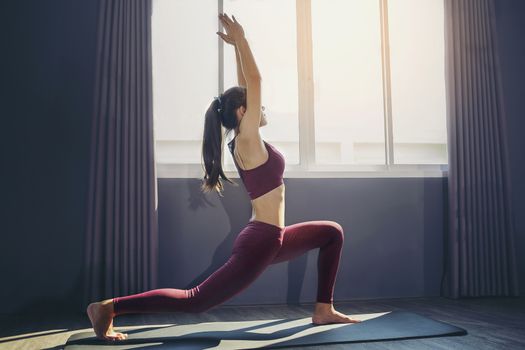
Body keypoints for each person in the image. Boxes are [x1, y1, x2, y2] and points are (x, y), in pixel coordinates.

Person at [87, 13, 360, 341]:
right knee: (196, 301)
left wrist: (235, 49)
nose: (264, 108)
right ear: (243, 113)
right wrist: (243, 40)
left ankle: (323, 309)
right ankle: (109, 307)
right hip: (261, 240)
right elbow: (255, 83)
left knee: (332, 232)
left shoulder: (244, 138)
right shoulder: (247, 140)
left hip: (273, 236)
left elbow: (246, 87)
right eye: (256, 106)